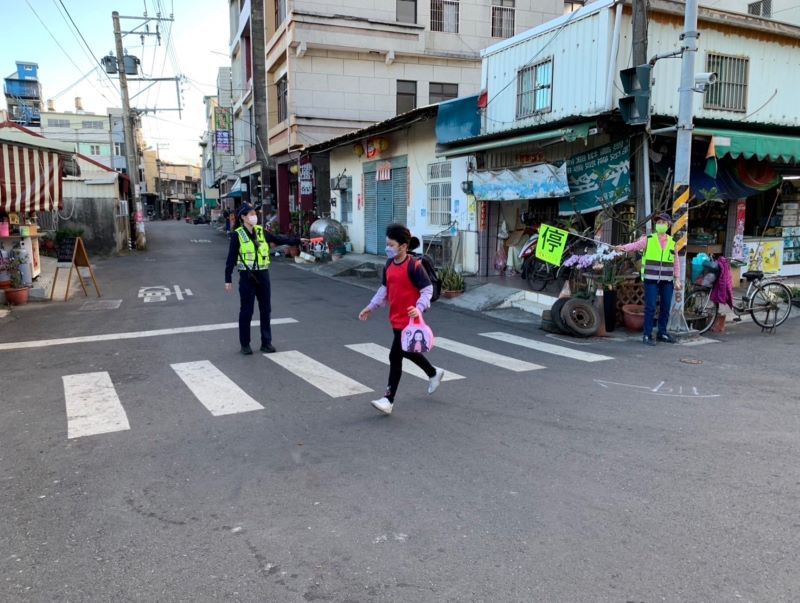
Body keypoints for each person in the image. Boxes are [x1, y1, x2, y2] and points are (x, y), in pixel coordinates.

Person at [359, 224, 445, 416]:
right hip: (396, 317)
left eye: (391, 244)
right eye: (387, 244)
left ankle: (388, 399)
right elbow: (384, 289)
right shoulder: (389, 264)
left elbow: (427, 289)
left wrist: (419, 308)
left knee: (395, 355)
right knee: (407, 351)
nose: (388, 248)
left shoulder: (414, 266)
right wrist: (370, 307)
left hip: (410, 320)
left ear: (404, 246)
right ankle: (433, 373)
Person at [225, 203, 304, 355]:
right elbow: (231, 259)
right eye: (251, 214)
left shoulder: (261, 231)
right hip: (247, 276)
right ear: (243, 217)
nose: (255, 216)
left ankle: (266, 343)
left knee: (266, 310)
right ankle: (245, 344)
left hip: (263, 275)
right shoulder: (237, 235)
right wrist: (227, 278)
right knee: (247, 311)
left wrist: (297, 240)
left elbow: (279, 239)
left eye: (255, 213)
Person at [615, 213, 682, 346]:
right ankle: (647, 334)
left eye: (663, 223)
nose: (660, 225)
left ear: (668, 225)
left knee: (665, 307)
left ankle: (662, 333)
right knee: (650, 307)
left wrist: (678, 278)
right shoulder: (649, 239)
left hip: (667, 280)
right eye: (659, 222)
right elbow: (635, 245)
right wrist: (623, 248)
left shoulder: (673, 242)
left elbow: (676, 262)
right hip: (651, 279)